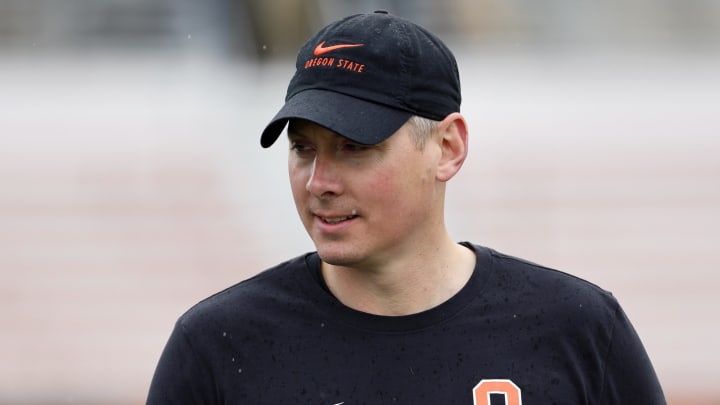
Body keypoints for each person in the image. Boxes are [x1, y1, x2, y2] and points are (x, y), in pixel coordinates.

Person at [147, 11, 666, 404]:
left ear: (448, 148)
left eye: (354, 146)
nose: (319, 181)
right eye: (303, 147)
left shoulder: (578, 328)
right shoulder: (219, 346)